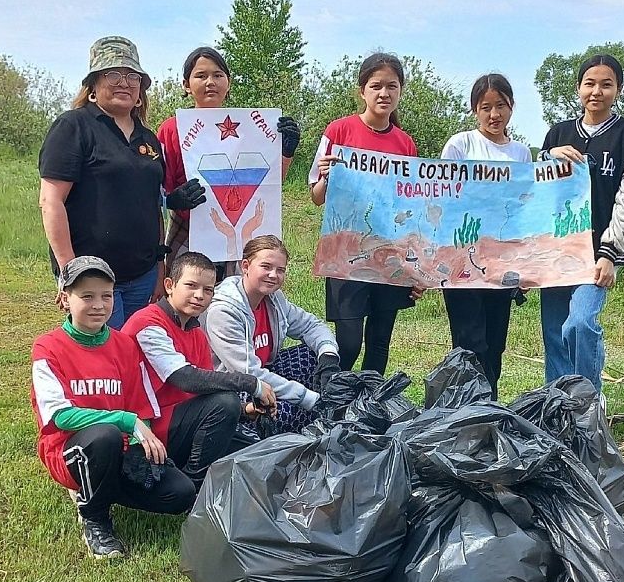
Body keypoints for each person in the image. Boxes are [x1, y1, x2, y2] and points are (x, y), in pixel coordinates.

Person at [30, 257, 197, 560]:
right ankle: (95, 518)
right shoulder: (48, 347)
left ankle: (101, 486)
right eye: (87, 296)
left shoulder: (124, 345)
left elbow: (140, 407)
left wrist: (138, 444)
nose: (98, 305)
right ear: (65, 299)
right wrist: (123, 420)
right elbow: (59, 415)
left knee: (180, 493)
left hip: (116, 450)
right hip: (69, 451)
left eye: (106, 296)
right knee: (105, 434)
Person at [38, 37, 168, 329]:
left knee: (136, 356)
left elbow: (153, 205)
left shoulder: (149, 139)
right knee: (104, 358)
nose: (124, 82)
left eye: (132, 75)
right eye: (112, 74)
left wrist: (159, 267)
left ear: (140, 89)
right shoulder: (73, 127)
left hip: (143, 274)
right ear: (93, 86)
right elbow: (50, 202)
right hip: (92, 277)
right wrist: (69, 271)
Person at [540, 52, 624, 394]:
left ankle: (588, 398)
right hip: (555, 253)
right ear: (578, 88)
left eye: (606, 84)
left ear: (618, 89)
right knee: (556, 335)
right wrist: (547, 158)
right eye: (590, 83)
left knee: (580, 324)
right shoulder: (558, 133)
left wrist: (610, 252)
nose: (596, 91)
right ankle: (557, 404)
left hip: (596, 254)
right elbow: (533, 192)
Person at [123, 250, 278, 485]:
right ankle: (195, 483)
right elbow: (186, 379)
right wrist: (251, 383)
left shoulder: (196, 332)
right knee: (225, 402)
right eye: (191, 286)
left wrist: (245, 410)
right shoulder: (147, 323)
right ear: (169, 285)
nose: (199, 296)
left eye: (208, 290)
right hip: (146, 429)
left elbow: (204, 393)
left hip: (179, 422)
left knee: (258, 453)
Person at [309, 52, 418, 373]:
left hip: (390, 254)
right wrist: (327, 176)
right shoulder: (339, 131)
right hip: (345, 254)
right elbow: (316, 197)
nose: (384, 93)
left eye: (392, 86)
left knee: (380, 339)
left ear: (400, 91)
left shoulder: (406, 144)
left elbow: (410, 206)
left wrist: (415, 263)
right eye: (376, 86)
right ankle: (334, 402)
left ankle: (369, 407)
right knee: (349, 342)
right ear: (362, 91)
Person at [157, 45, 302, 269]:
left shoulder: (253, 127)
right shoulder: (171, 129)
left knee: (235, 300)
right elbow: (159, 190)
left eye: (217, 75)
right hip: (188, 229)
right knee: (187, 300)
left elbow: (269, 186)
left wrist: (286, 152)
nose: (210, 82)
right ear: (186, 85)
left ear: (228, 82)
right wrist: (173, 200)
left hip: (241, 232)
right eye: (200, 76)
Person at [440, 73, 532, 398]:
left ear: (511, 107)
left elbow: (523, 209)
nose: (494, 115)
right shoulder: (460, 144)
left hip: (502, 263)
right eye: (486, 107)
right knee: (469, 341)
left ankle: (489, 407)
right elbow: (441, 197)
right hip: (461, 262)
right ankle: (465, 409)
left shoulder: (522, 154)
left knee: (495, 342)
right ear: (475, 110)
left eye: (501, 106)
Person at [205, 235, 341, 434]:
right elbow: (248, 373)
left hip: (265, 370)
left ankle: (322, 423)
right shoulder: (223, 311)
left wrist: (328, 357)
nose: (273, 275)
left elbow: (311, 325)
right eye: (266, 267)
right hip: (234, 388)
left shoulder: (274, 299)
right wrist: (309, 399)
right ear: (245, 266)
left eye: (280, 270)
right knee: (282, 412)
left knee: (313, 355)